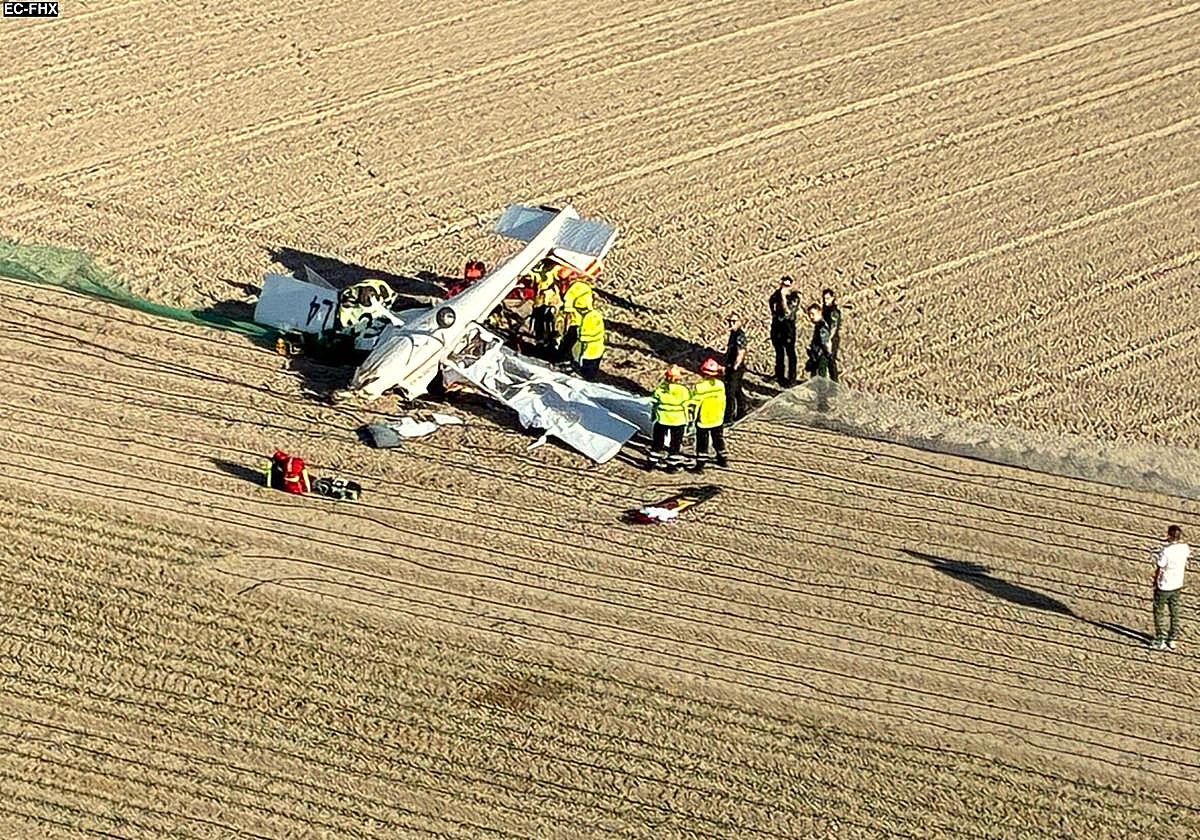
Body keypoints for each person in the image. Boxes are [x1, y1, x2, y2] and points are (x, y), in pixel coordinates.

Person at [1151, 525, 1190, 650]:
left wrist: (1155, 582)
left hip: (1164, 585)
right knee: (1175, 612)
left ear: (1169, 536)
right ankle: (1172, 638)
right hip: (1177, 584)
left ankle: (1160, 639)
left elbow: (1160, 568)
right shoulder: (1185, 548)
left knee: (1159, 613)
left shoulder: (1166, 551)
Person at [649, 365, 690, 471]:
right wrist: (689, 420)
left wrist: (653, 416)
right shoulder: (683, 391)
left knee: (657, 443)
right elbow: (687, 404)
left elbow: (654, 402)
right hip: (678, 421)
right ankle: (671, 466)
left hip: (662, 419)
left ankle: (651, 463)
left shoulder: (660, 389)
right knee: (675, 444)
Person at [690, 357, 728, 468]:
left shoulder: (700, 387)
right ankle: (722, 459)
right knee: (718, 439)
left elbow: (695, 402)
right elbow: (723, 400)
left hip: (704, 419)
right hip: (717, 417)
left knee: (702, 442)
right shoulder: (720, 385)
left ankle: (701, 464)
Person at [768, 276, 800, 385]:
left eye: (787, 286)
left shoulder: (794, 298)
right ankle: (779, 375)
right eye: (783, 285)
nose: (784, 288)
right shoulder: (776, 295)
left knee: (790, 353)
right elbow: (771, 303)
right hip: (777, 326)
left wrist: (783, 297)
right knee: (779, 352)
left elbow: (788, 312)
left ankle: (792, 378)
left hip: (788, 327)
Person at [558, 269, 593, 362]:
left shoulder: (573, 290)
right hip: (584, 321)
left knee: (570, 342)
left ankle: (564, 358)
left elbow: (568, 310)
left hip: (575, 322)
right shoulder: (585, 288)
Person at [572, 291, 605, 381]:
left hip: (592, 351)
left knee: (588, 371)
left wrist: (582, 337)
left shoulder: (592, 317)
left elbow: (591, 333)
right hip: (589, 349)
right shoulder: (588, 316)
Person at [529, 261, 562, 351]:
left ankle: (551, 340)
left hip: (550, 298)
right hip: (542, 298)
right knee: (539, 320)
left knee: (551, 320)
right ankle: (541, 340)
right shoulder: (535, 271)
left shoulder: (554, 268)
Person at [724, 314, 748, 424]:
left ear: (739, 322)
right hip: (732, 366)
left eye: (733, 321)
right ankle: (742, 411)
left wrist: (735, 366)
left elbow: (741, 352)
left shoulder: (739, 335)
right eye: (729, 321)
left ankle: (728, 417)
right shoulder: (733, 334)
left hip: (735, 367)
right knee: (737, 390)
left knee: (730, 393)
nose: (730, 323)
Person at [805, 303, 833, 379]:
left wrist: (828, 353)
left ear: (819, 313)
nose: (811, 317)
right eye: (809, 315)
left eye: (813, 314)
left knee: (821, 376)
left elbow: (826, 342)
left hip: (821, 354)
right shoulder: (818, 325)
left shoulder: (822, 326)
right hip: (817, 354)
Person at [821, 287, 842, 382]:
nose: (825, 301)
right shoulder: (825, 309)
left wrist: (829, 340)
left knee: (831, 361)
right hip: (825, 337)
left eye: (828, 298)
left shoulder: (833, 311)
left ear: (833, 298)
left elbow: (834, 326)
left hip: (832, 339)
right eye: (824, 298)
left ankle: (835, 384)